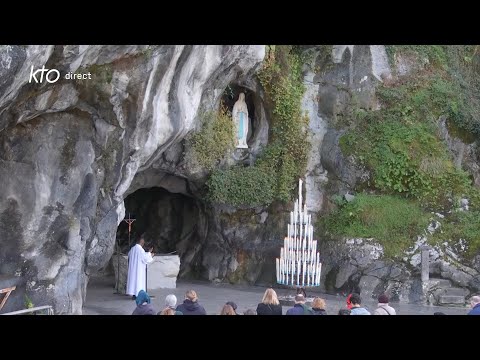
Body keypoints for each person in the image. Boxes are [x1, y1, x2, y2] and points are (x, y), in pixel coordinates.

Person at [126, 235, 154, 300]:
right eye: (143, 240)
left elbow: (130, 256)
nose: (143, 242)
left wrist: (148, 254)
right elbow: (145, 258)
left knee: (134, 281)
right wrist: (150, 254)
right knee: (138, 281)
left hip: (133, 269)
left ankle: (134, 294)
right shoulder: (140, 249)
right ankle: (138, 295)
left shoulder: (132, 249)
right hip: (138, 270)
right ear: (140, 241)